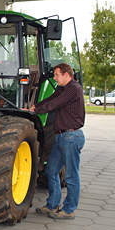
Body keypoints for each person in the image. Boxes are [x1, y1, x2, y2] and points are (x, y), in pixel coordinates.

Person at [25, 62, 85, 219]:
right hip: (61, 136)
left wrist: (36, 110)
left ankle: (69, 209)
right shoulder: (62, 88)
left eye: (57, 75)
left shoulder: (73, 88)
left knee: (71, 175)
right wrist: (34, 107)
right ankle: (52, 205)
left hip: (71, 136)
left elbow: (55, 104)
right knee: (51, 170)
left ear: (66, 74)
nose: (55, 78)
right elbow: (51, 98)